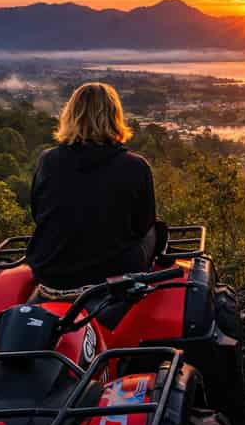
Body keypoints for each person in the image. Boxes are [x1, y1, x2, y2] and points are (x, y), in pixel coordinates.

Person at [26, 82, 158, 294]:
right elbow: (143, 225)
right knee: (154, 230)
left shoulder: (47, 161)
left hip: (51, 274)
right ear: (115, 116)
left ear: (70, 115)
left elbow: (37, 213)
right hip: (110, 278)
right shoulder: (135, 166)